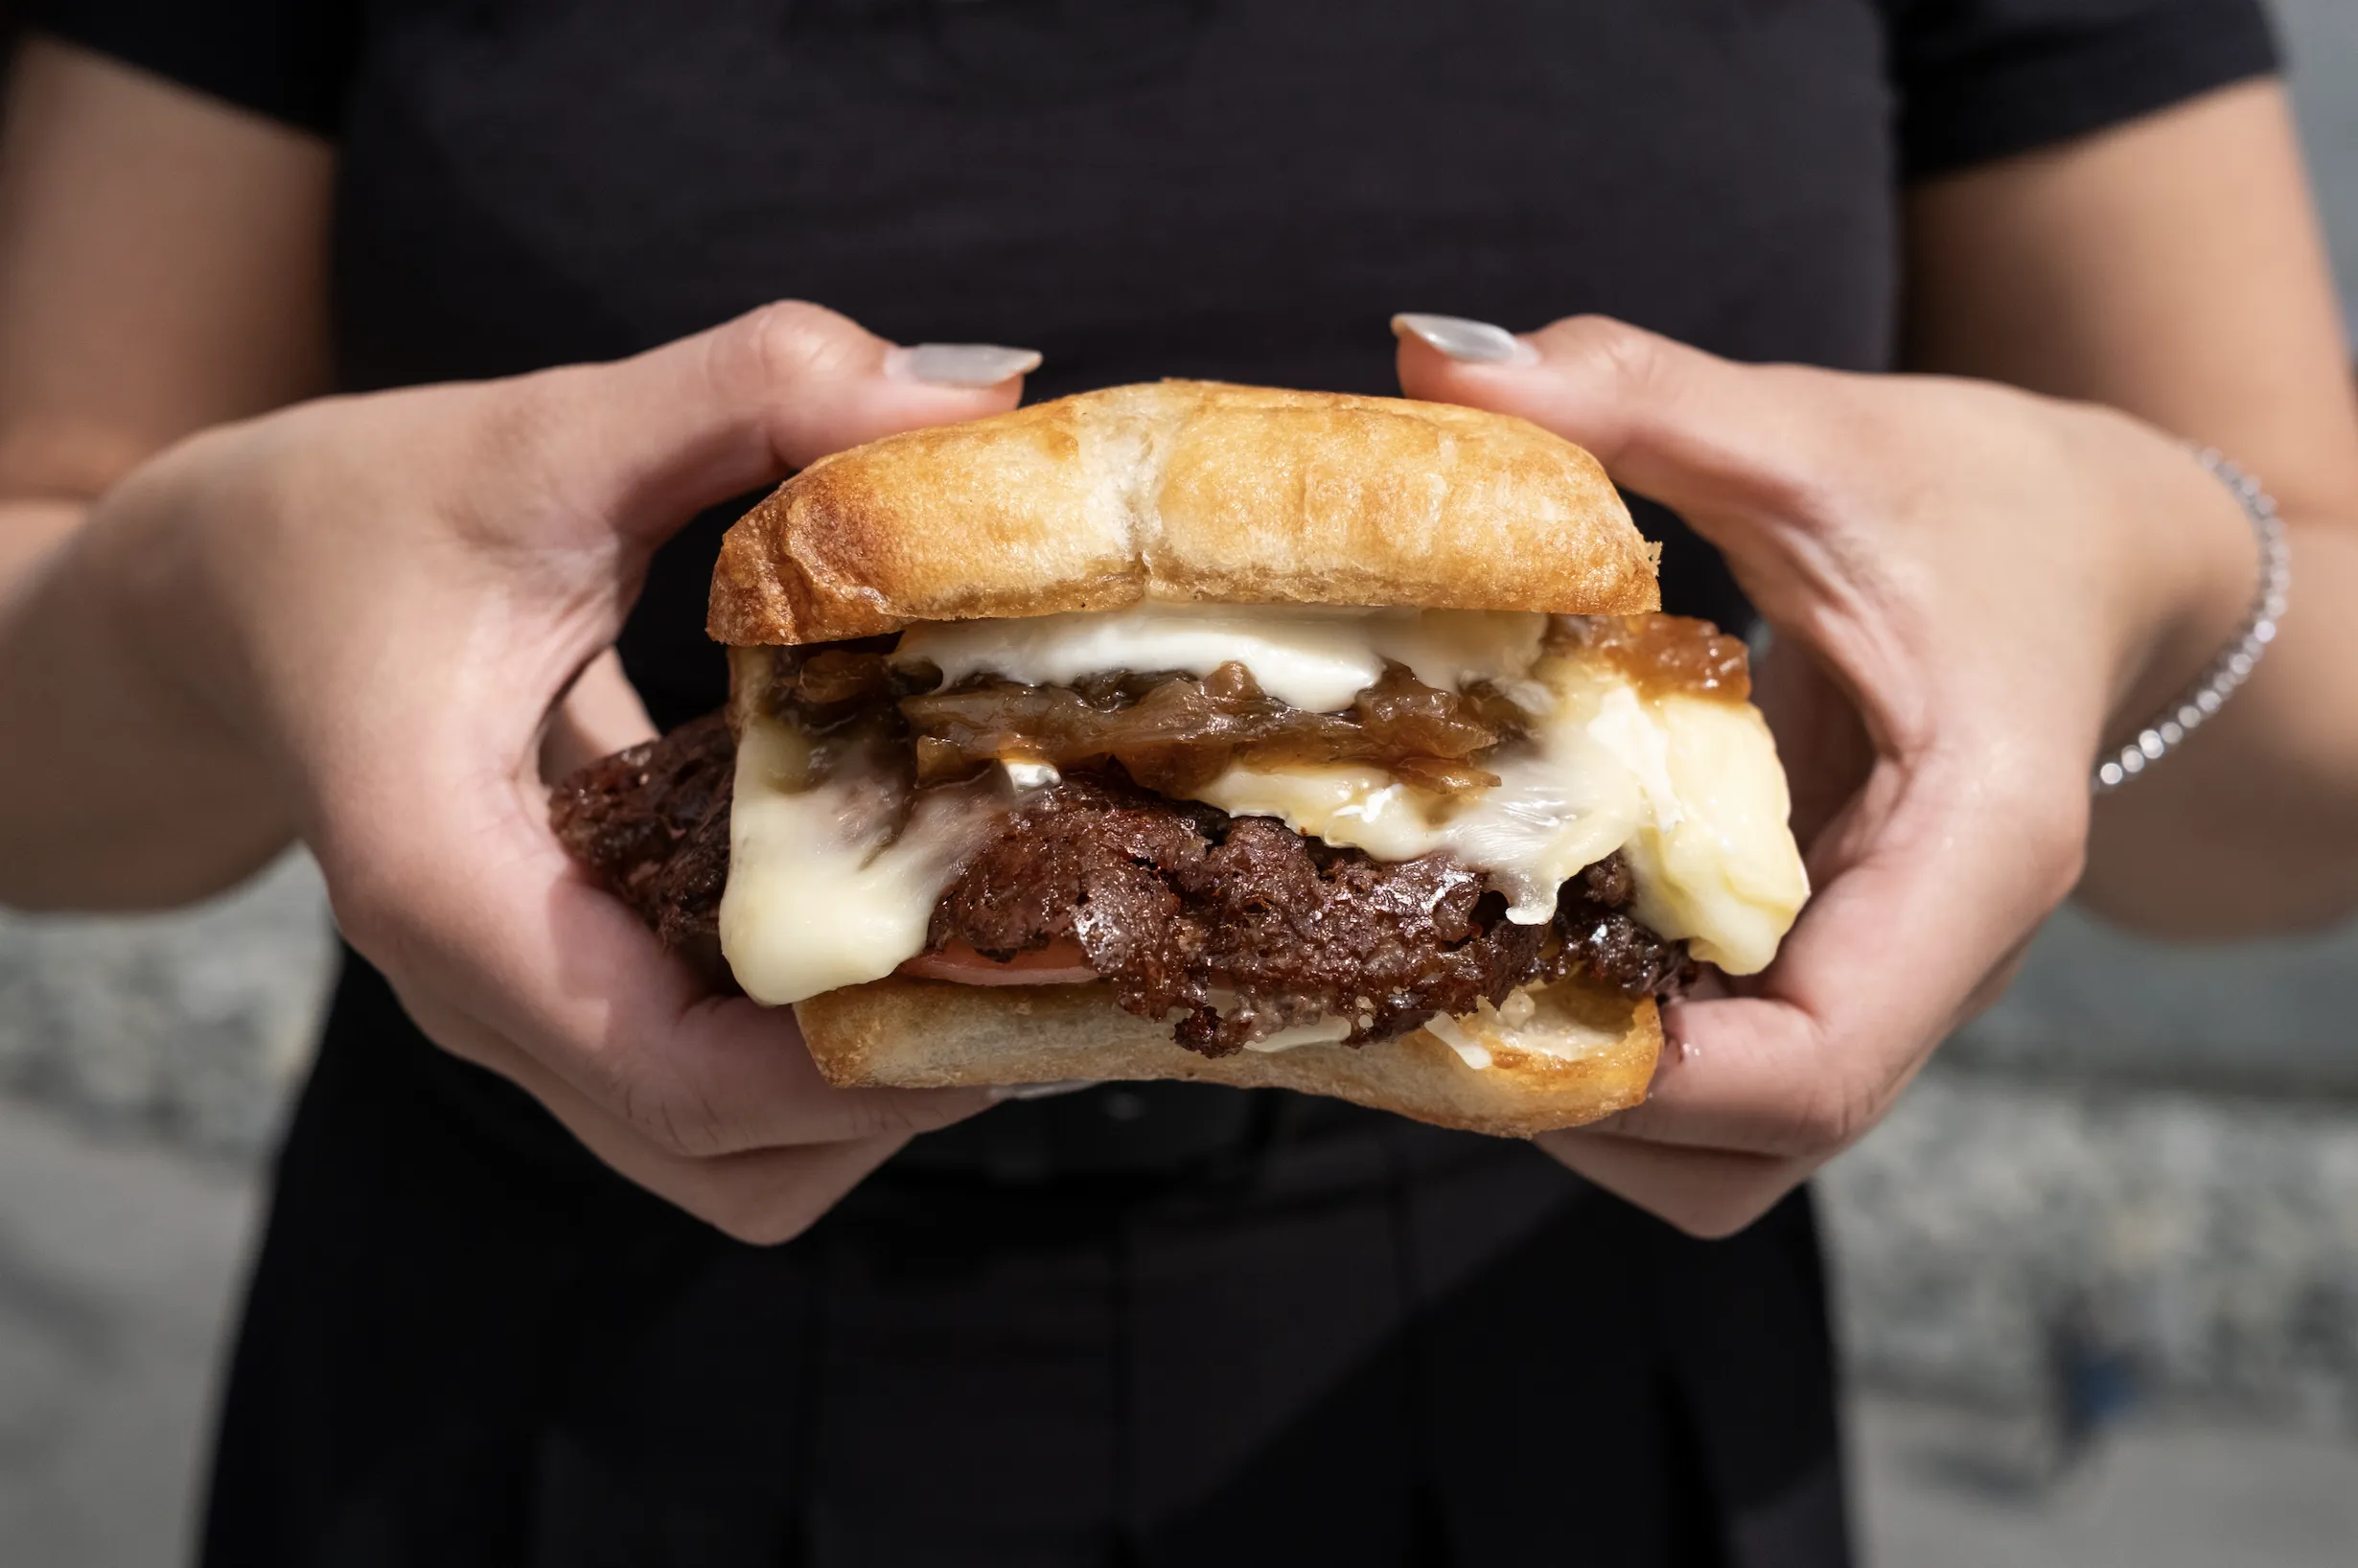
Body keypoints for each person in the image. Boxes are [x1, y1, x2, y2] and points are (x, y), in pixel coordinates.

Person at [2, 3, 2354, 1563]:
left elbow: (2312, 779)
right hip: (520, 1361)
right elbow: (47, 756)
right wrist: (203, 573)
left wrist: (2138, 553)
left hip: (1560, 1359)